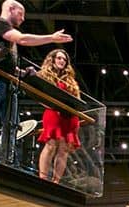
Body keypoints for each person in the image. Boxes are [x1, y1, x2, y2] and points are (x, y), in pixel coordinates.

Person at [0, 0, 72, 157]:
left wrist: (21, 73)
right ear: (11, 9)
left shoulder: (6, 37)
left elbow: (5, 63)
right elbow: (22, 39)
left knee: (12, 123)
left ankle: (7, 156)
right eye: (21, 14)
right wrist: (52, 38)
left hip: (6, 80)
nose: (23, 19)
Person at [36, 49, 82, 182]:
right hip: (53, 113)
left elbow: (76, 99)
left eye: (64, 59)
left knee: (64, 149)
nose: (62, 61)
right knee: (51, 144)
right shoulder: (44, 75)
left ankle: (56, 181)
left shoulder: (71, 81)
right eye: (59, 58)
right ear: (52, 59)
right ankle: (43, 178)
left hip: (70, 117)